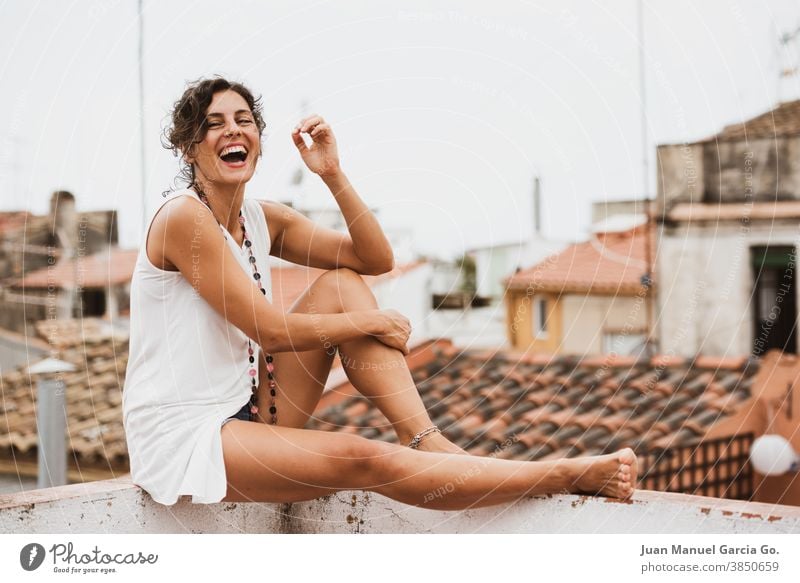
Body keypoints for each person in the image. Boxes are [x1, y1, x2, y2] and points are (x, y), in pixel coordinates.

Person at [122, 76, 638, 509]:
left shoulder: (260, 218)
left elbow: (374, 259)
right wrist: (371, 323)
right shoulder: (183, 219)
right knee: (361, 458)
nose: (232, 131)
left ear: (258, 136)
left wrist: (332, 174)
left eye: (243, 120)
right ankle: (562, 474)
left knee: (342, 286)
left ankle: (425, 437)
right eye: (214, 124)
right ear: (189, 147)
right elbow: (269, 331)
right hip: (187, 436)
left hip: (250, 408)